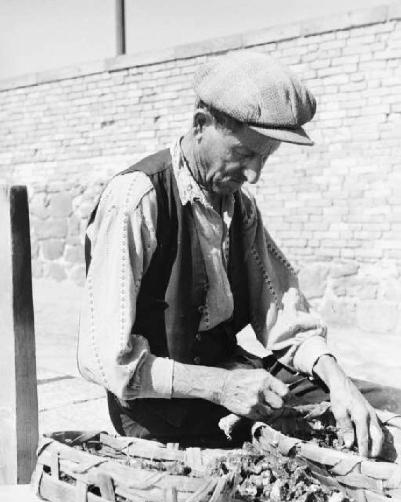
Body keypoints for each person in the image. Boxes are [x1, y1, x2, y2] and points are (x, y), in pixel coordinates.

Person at [78, 51, 384, 456]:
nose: (254, 173)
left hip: (232, 377)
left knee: (375, 404)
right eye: (244, 154)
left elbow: (282, 315)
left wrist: (338, 379)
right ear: (201, 125)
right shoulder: (136, 200)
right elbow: (102, 360)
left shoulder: (239, 206)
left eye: (265, 157)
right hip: (161, 407)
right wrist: (220, 386)